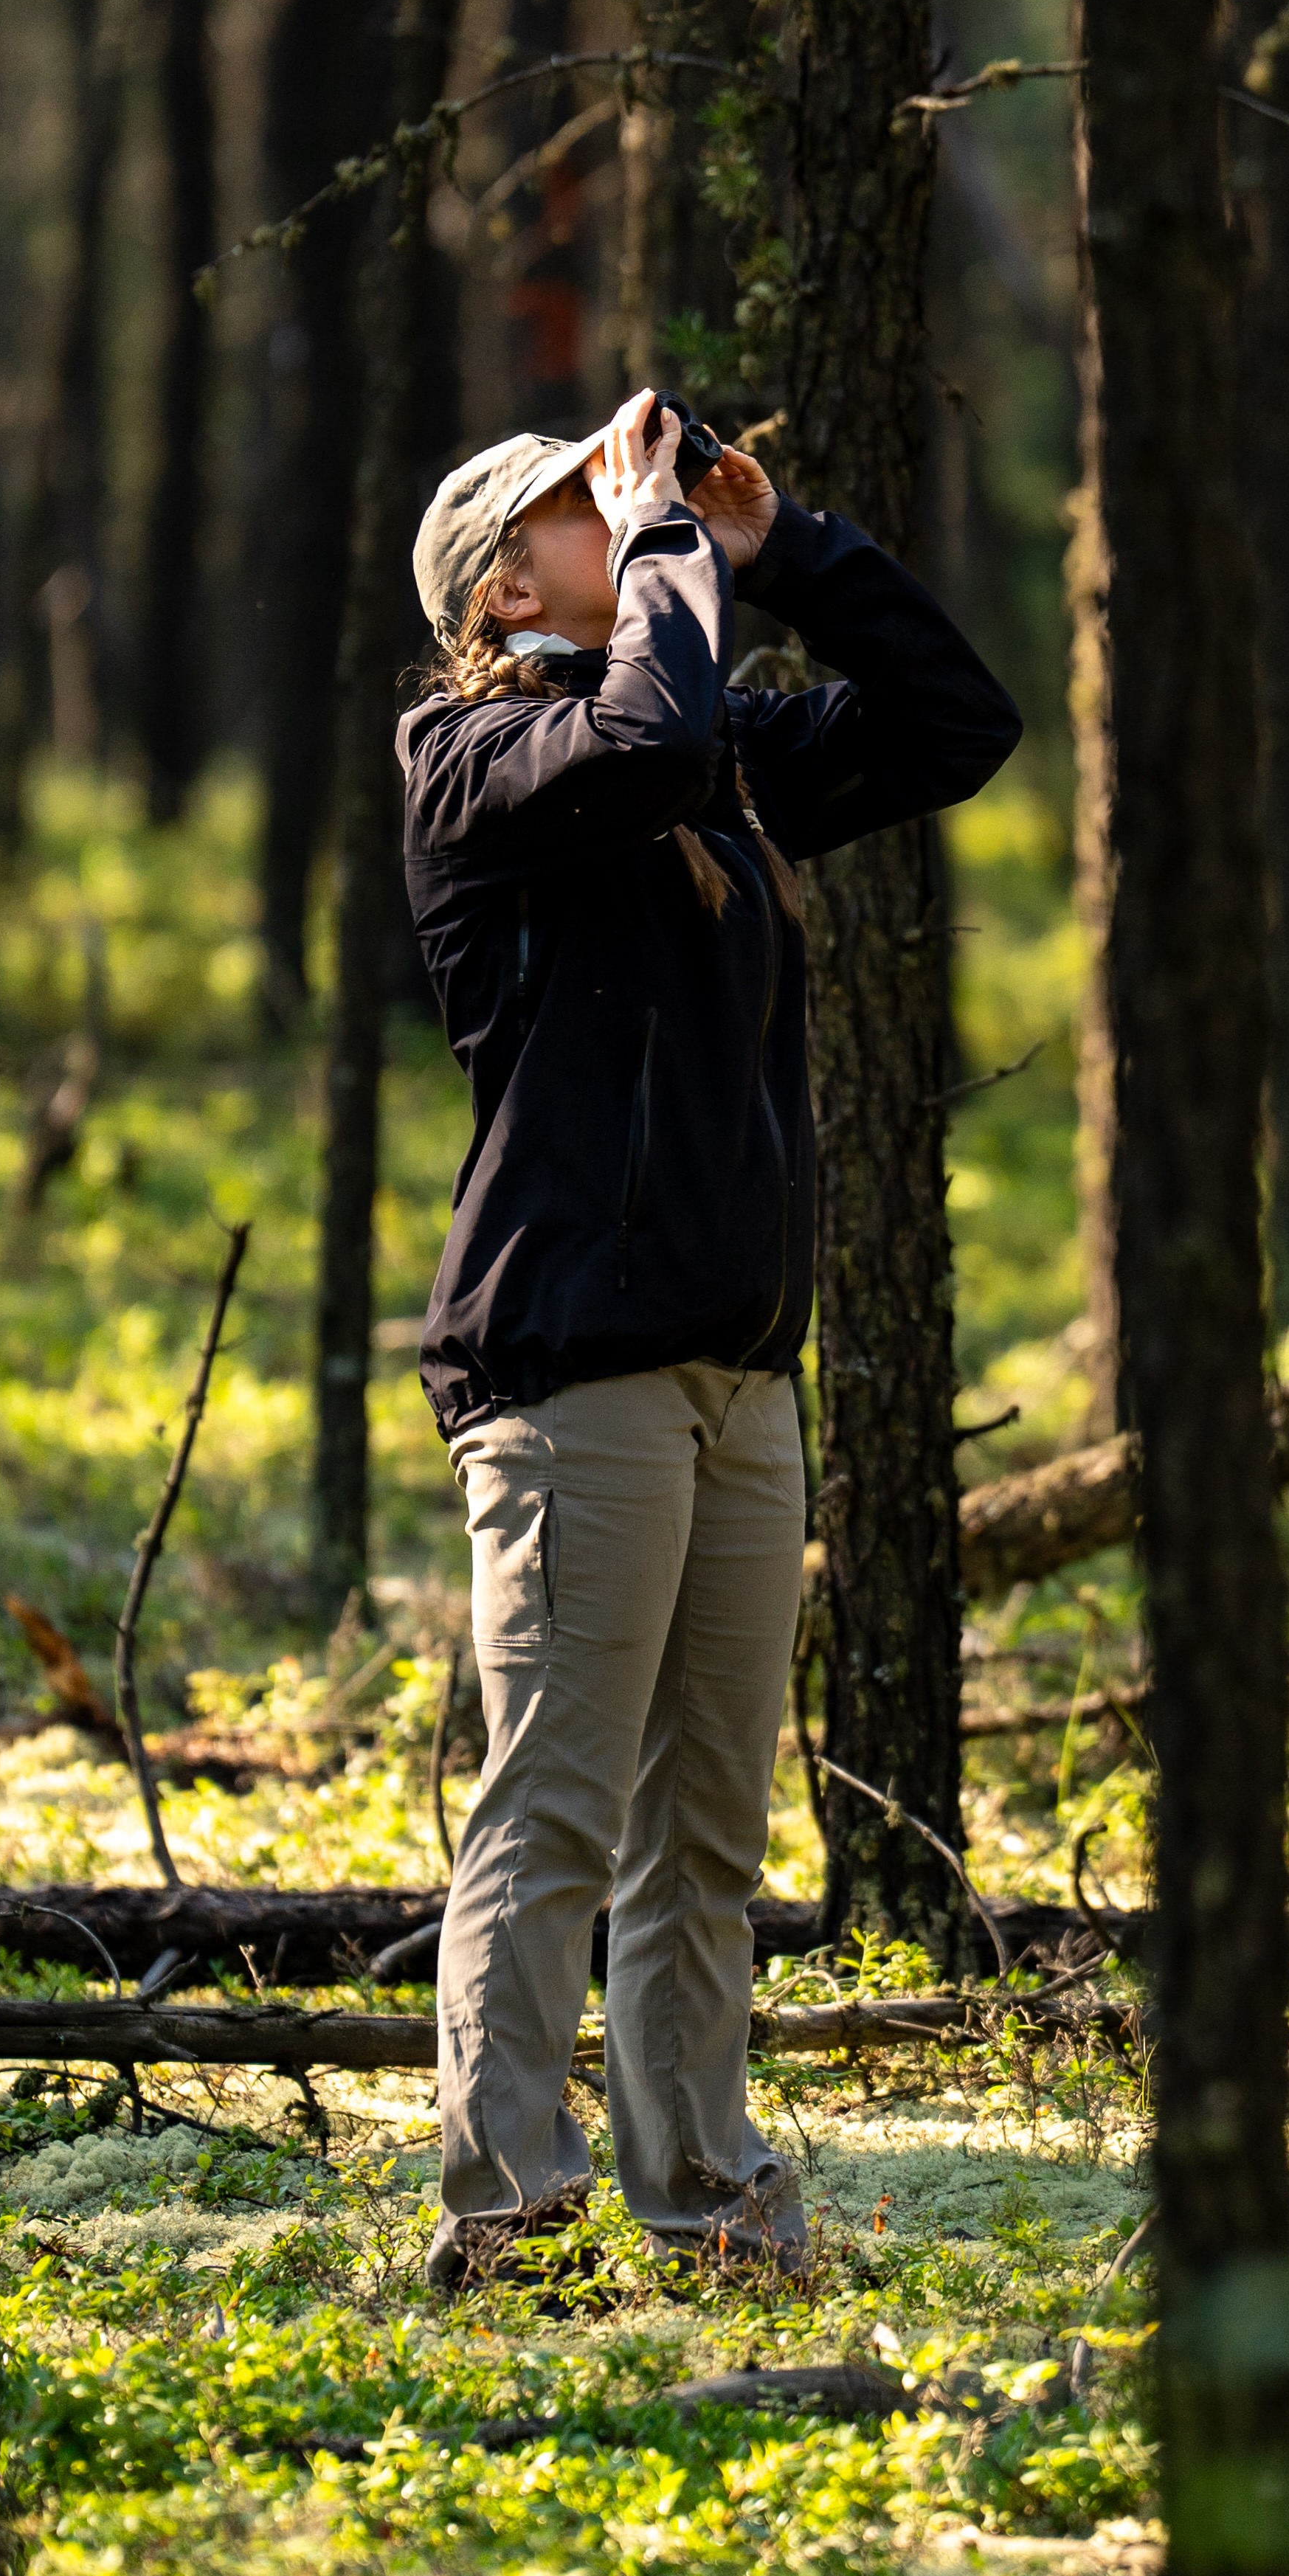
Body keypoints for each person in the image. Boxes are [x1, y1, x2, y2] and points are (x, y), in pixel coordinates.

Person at [400, 386, 1021, 2291]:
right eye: (586, 504)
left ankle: (710, 2203)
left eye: (626, 495)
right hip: (573, 1362)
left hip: (743, 1370)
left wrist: (782, 545)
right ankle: (507, 2212)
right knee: (560, 1802)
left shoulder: (710, 746)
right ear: (509, 581)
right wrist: (667, 547)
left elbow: (955, 724)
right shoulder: (473, 755)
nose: (629, 508)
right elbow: (648, 738)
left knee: (706, 1833)